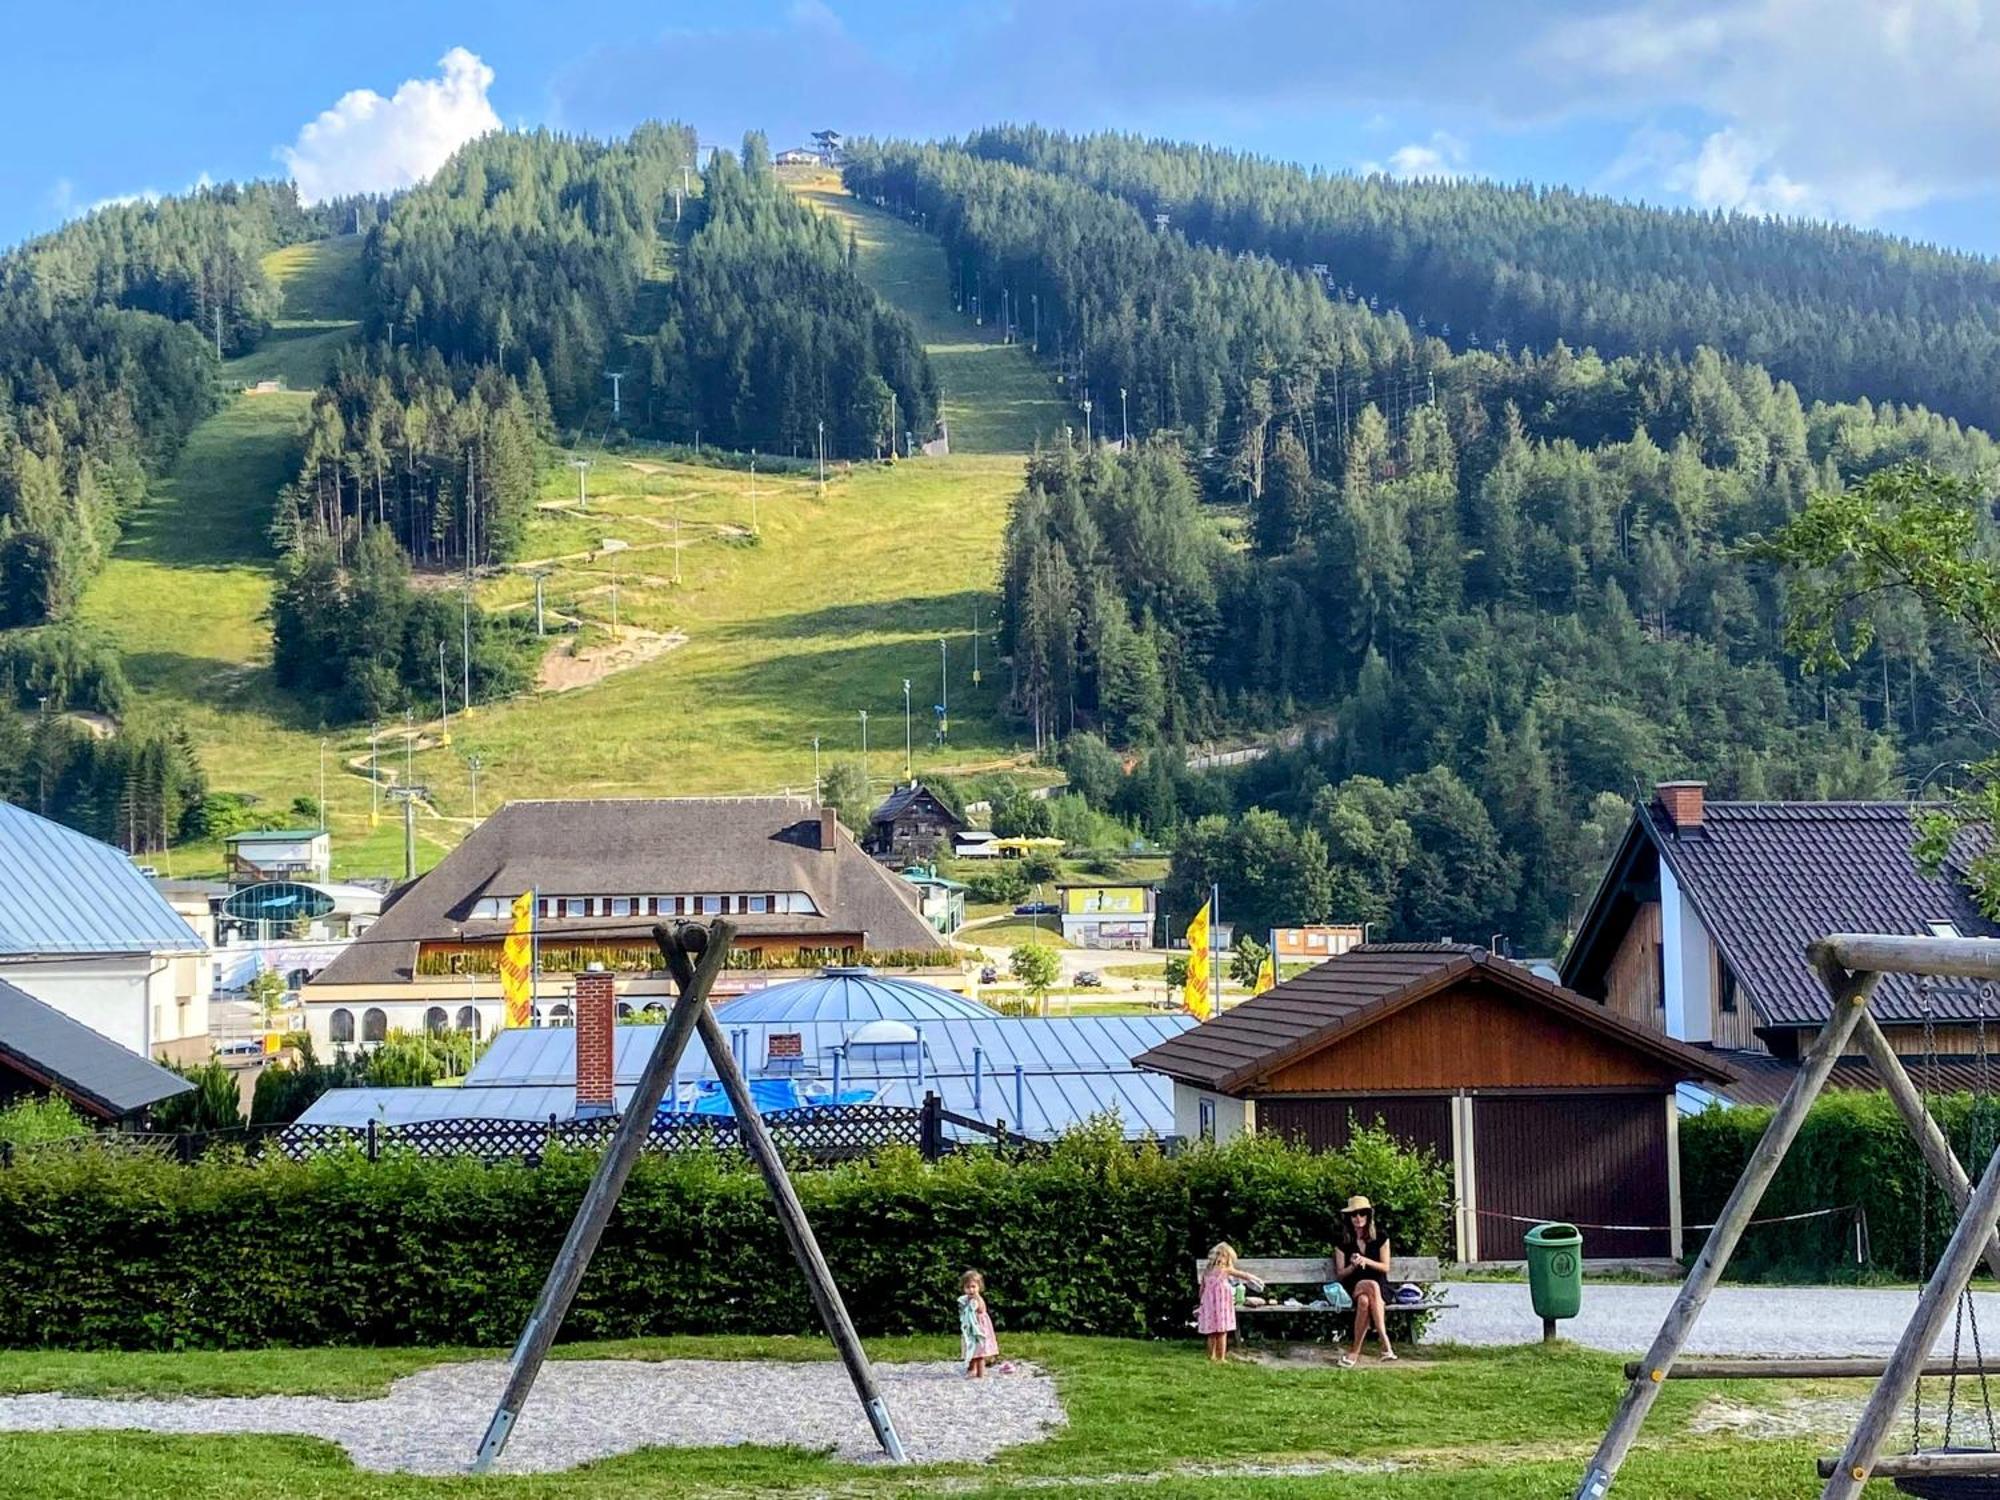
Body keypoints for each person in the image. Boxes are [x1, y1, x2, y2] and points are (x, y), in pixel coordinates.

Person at [1334, 1195, 1397, 1365]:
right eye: (1354, 1215)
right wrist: (1354, 1265)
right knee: (1369, 1286)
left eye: (1362, 1214)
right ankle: (1384, 1342)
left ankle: (1354, 1352)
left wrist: (1366, 1260)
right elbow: (1340, 1274)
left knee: (1364, 1300)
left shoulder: (1381, 1237)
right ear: (1349, 1217)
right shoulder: (1343, 1241)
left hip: (1379, 1286)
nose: (1358, 1218)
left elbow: (1385, 1267)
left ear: (1369, 1216)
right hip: (1354, 1284)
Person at [1195, 1242, 1265, 1362]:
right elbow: (1243, 1275)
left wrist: (1202, 1302)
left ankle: (1211, 1357)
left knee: (1211, 1332)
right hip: (1222, 1305)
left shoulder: (1207, 1271)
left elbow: (1202, 1289)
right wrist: (1256, 1279)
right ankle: (1221, 1358)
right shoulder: (1225, 1270)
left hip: (1209, 1305)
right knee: (1222, 1332)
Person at [959, 1270, 999, 1378]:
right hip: (970, 1328)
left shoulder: (978, 1299)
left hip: (979, 1329)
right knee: (971, 1350)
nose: (971, 1290)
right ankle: (972, 1368)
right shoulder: (966, 1299)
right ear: (964, 1288)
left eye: (973, 1287)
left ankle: (981, 1373)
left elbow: (981, 1310)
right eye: (968, 1287)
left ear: (979, 1287)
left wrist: (975, 1301)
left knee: (980, 1353)